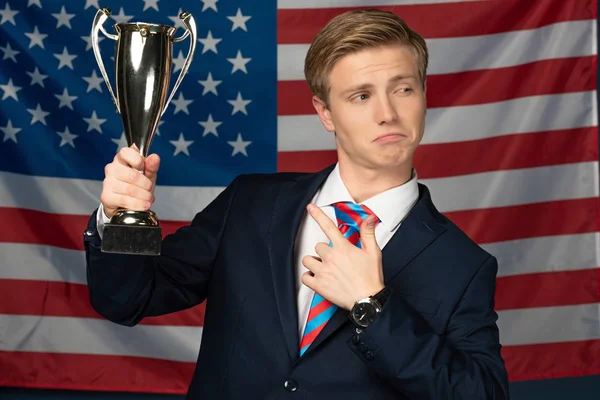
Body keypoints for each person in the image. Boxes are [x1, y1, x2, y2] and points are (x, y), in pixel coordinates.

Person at [84, 8, 510, 399]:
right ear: (325, 113)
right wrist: (117, 218)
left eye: (403, 89)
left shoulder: (464, 266)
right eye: (361, 96)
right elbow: (128, 300)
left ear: (423, 94)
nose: (388, 113)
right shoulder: (249, 204)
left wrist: (372, 305)